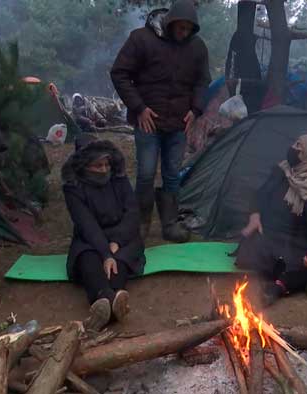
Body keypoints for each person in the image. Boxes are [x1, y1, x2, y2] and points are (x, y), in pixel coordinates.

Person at [111, 0, 211, 242]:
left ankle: (169, 225)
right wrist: (139, 108)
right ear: (170, 22)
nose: (183, 33)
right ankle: (140, 226)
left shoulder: (197, 47)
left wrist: (195, 110)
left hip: (178, 122)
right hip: (149, 121)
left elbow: (202, 81)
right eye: (180, 27)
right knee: (145, 173)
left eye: (188, 29)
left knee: (172, 174)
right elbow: (120, 73)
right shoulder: (141, 39)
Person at [235, 135, 307, 305]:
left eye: (299, 147)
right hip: (277, 233)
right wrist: (255, 216)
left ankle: (279, 286)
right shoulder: (282, 171)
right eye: (295, 143)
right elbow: (260, 194)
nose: (293, 148)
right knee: (252, 244)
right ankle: (304, 278)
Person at [62, 135, 146, 330]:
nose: (104, 170)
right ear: (84, 166)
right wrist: (105, 252)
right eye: (98, 166)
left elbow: (132, 212)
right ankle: (105, 299)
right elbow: (86, 223)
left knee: (118, 262)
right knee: (89, 259)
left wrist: (116, 243)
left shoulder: (118, 178)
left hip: (123, 235)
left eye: (106, 164)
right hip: (90, 237)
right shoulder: (73, 188)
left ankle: (112, 301)